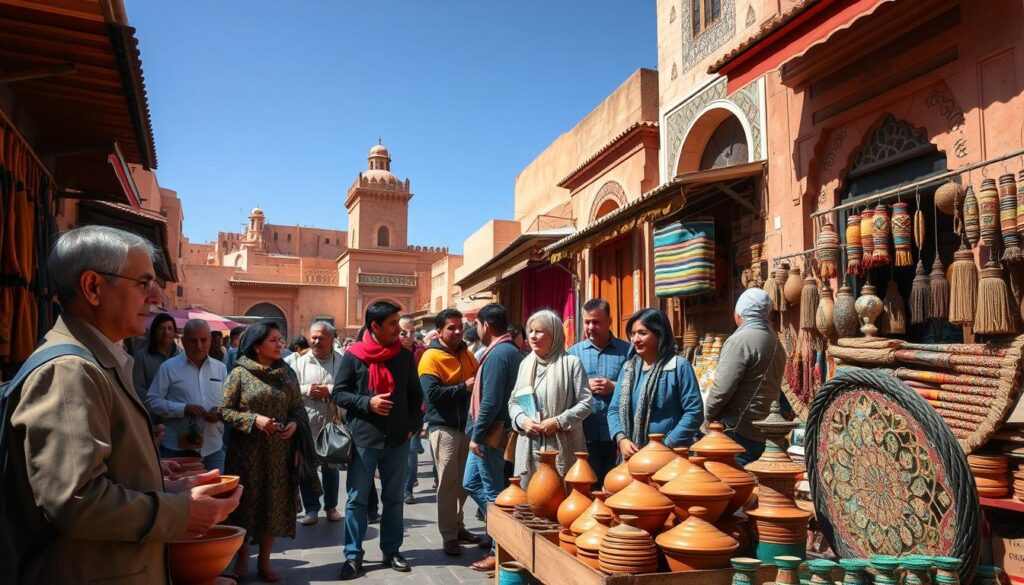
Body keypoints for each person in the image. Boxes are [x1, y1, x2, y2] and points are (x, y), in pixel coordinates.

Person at [5, 225, 240, 583]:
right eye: (143, 283)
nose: (157, 296)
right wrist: (181, 513)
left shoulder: (95, 362)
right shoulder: (70, 372)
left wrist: (154, 479)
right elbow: (75, 500)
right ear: (93, 288)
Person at [333, 301, 424, 580]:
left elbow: (415, 396)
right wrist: (367, 402)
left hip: (397, 440)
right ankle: (353, 555)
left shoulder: (404, 357)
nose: (400, 330)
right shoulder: (354, 356)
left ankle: (391, 550)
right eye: (393, 324)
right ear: (375, 326)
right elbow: (339, 393)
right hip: (363, 441)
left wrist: (411, 427)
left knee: (394, 499)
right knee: (356, 500)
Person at [220, 321, 311, 582]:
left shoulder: (287, 374)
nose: (279, 344)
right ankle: (242, 558)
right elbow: (224, 410)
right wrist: (253, 421)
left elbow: (297, 408)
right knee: (245, 506)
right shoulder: (239, 374)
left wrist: (294, 424)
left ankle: (265, 561)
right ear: (257, 345)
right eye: (273, 340)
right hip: (246, 453)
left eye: (280, 340)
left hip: (278, 453)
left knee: (272, 505)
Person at [464, 303, 524, 572]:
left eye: (477, 324)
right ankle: (498, 533)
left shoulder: (500, 353)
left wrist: (477, 435)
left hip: (490, 434)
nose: (476, 329)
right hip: (487, 433)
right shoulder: (502, 350)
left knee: (492, 492)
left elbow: (490, 399)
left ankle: (501, 547)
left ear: (485, 325)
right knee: (472, 483)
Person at [418, 309, 479, 556]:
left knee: (463, 483)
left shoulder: (466, 353)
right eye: (451, 328)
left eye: (459, 327)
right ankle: (448, 535)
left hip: (467, 427)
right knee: (447, 483)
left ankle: (458, 525)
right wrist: (463, 387)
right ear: (439, 331)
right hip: (443, 428)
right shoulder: (429, 357)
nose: (457, 332)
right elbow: (431, 395)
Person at [509, 309, 592, 484]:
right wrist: (523, 421)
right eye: (530, 331)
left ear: (554, 334)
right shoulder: (525, 364)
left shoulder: (571, 364)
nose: (533, 336)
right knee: (529, 503)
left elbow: (585, 403)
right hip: (529, 448)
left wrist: (558, 422)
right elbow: (514, 402)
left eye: (539, 331)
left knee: (560, 503)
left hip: (562, 448)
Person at [705, 288, 786, 465]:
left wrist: (707, 417)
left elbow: (721, 390)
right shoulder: (775, 342)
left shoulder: (739, 341)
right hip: (763, 432)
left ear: (739, 313)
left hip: (738, 432)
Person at [608, 308, 704, 457]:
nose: (635, 339)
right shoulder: (628, 369)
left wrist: (666, 445)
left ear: (660, 335)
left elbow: (694, 412)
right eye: (633, 334)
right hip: (632, 455)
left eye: (643, 333)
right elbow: (614, 409)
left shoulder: (678, 366)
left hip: (669, 456)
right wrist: (622, 439)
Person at [146, 318, 229, 473]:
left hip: (213, 447)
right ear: (183, 342)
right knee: (180, 495)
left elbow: (229, 403)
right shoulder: (168, 368)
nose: (199, 346)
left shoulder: (220, 369)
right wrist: (183, 409)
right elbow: (152, 401)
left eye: (203, 340)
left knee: (216, 494)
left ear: (210, 340)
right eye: (193, 341)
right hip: (176, 448)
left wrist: (220, 412)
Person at [568, 298, 632, 486]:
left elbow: (636, 384)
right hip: (585, 435)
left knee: (616, 487)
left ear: (609, 321)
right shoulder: (573, 353)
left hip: (618, 435)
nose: (590, 327)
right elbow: (565, 389)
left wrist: (614, 386)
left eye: (596, 322)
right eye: (587, 322)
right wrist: (583, 385)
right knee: (588, 486)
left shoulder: (627, 351)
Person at [294, 321, 344, 525]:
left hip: (332, 424)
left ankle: (331, 507)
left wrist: (329, 390)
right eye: (313, 337)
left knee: (331, 467)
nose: (315, 341)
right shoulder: (298, 362)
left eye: (321, 338)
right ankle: (311, 509)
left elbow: (350, 386)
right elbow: (289, 389)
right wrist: (307, 390)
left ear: (331, 339)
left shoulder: (343, 360)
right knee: (307, 469)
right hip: (307, 425)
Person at [399, 314, 427, 504]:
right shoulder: (388, 353)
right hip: (393, 410)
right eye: (403, 332)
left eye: (412, 332)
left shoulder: (422, 353)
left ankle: (407, 489)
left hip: (416, 410)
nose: (408, 336)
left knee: (411, 449)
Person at [132, 311, 180, 405]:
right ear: (154, 332)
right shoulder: (141, 358)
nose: (166, 332)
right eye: (161, 328)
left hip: (180, 414)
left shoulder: (183, 357)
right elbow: (138, 388)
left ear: (175, 333)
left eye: (170, 328)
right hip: (152, 414)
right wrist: (160, 407)